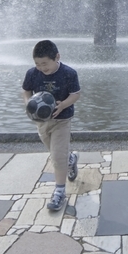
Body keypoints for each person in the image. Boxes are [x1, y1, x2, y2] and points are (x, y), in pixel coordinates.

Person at [22, 40, 80, 211]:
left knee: (57, 156)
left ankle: (59, 192)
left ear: (57, 57)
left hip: (62, 120)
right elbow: (26, 90)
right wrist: (28, 103)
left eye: (45, 63)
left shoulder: (68, 73)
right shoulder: (32, 73)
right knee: (56, 153)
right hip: (42, 122)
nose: (41, 67)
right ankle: (70, 159)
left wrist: (63, 105)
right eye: (38, 64)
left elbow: (76, 94)